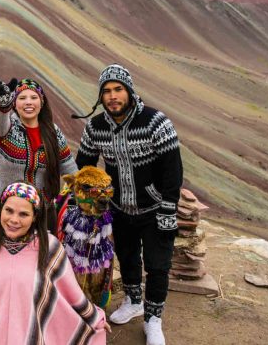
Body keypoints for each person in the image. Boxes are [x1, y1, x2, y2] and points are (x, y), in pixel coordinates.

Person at [75, 64, 182, 345]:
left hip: (155, 208)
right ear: (101, 97)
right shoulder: (95, 127)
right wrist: (90, 199)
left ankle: (153, 319)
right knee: (127, 256)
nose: (112, 96)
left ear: (130, 92)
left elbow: (173, 170)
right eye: (107, 91)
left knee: (158, 265)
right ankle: (134, 301)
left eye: (118, 89)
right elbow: (84, 165)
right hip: (118, 208)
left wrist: (169, 207)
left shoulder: (155, 122)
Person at [0, 183, 109, 344]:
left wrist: (95, 319)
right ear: (1, 210)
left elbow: (71, 294)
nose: (14, 220)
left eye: (24, 214)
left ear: (34, 218)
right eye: (9, 210)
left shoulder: (49, 248)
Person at [0, 78, 77, 232]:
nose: (28, 102)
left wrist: (84, 192)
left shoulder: (53, 132)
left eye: (34, 97)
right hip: (8, 209)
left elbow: (68, 165)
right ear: (14, 103)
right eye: (22, 98)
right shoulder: (8, 129)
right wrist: (2, 105)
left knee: (43, 253)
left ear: (42, 102)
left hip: (43, 209)